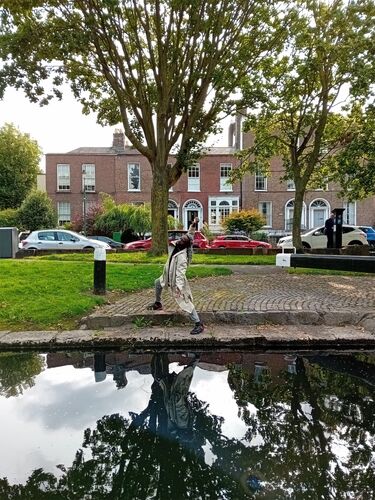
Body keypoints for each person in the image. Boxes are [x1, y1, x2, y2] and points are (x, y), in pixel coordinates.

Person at [148, 216, 204, 335]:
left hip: (176, 281)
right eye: (182, 238)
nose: (181, 239)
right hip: (166, 275)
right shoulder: (177, 246)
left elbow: (180, 273)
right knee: (157, 283)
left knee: (185, 302)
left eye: (183, 240)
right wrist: (194, 224)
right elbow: (190, 234)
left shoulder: (182, 257)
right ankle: (158, 303)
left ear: (184, 245)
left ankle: (198, 324)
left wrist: (179, 286)